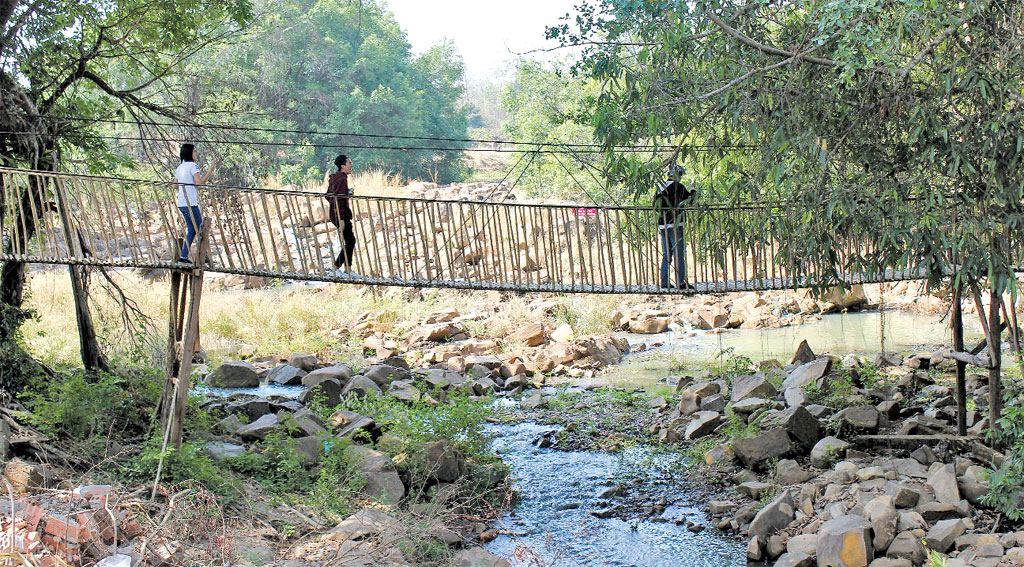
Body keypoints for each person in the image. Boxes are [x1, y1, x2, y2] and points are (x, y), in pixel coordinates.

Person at [654, 164, 696, 290]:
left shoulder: (660, 187)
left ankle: (665, 282)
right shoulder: (678, 186)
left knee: (667, 254)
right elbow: (690, 201)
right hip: (676, 223)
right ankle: (680, 282)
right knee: (679, 253)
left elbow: (656, 207)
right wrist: (693, 189)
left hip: (663, 224)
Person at [174, 143, 214, 263]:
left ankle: (183, 256)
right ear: (189, 153)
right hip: (190, 203)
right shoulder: (192, 166)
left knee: (192, 229)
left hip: (181, 203)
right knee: (201, 229)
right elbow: (199, 183)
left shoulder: (179, 167)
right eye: (194, 151)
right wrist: (210, 171)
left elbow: (175, 185)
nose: (196, 154)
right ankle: (204, 257)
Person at [325, 154, 359, 276]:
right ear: (343, 166)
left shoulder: (337, 178)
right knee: (350, 241)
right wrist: (341, 218)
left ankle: (348, 270)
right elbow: (337, 199)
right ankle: (336, 268)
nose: (351, 165)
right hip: (341, 215)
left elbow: (328, 195)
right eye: (349, 163)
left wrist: (346, 193)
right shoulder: (341, 179)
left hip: (338, 214)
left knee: (349, 241)